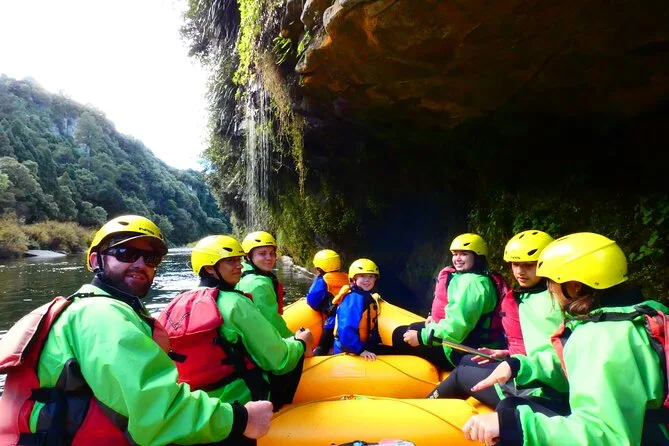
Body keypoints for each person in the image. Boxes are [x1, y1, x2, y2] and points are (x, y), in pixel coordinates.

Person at [0, 215, 273, 445]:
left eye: (150, 258)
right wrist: (241, 419)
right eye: (126, 253)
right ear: (95, 260)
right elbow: (157, 412)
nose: (140, 264)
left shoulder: (89, 307)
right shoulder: (102, 315)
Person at [462, 232, 669, 445]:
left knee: (510, 418)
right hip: (647, 425)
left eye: (551, 281)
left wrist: (518, 427)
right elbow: (576, 361)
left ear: (574, 285)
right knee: (510, 407)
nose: (550, 289)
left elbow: (606, 435)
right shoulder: (639, 313)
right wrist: (520, 365)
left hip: (643, 436)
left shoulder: (599, 337)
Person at [158, 235, 313, 414]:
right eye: (230, 261)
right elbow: (278, 360)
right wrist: (300, 343)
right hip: (244, 402)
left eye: (239, 260)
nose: (239, 265)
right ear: (209, 268)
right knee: (297, 347)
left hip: (199, 404)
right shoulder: (235, 303)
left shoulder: (174, 305)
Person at [427, 230, 565, 408]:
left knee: (461, 374)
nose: (520, 271)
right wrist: (506, 353)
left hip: (543, 389)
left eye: (529, 265)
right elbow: (538, 345)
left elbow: (560, 355)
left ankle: (424, 408)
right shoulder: (532, 296)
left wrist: (516, 364)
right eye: (515, 264)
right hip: (530, 370)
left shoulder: (556, 303)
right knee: (468, 361)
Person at [393, 233, 508, 370]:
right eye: (455, 254)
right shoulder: (480, 277)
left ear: (477, 257)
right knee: (413, 326)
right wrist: (433, 318)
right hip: (470, 342)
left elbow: (456, 328)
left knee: (399, 334)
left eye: (464, 254)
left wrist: (421, 337)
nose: (457, 258)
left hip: (463, 351)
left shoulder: (471, 283)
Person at [236, 231, 293, 338]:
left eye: (272, 253)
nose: (269, 258)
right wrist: (297, 342)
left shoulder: (241, 271)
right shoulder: (258, 285)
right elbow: (272, 323)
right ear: (248, 256)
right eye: (262, 253)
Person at [333, 258, 393, 360]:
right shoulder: (354, 299)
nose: (367, 280)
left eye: (371, 276)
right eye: (362, 276)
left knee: (392, 351)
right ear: (353, 279)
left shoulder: (366, 296)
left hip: (362, 344)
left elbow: (371, 325)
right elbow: (346, 328)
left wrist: (377, 341)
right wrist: (360, 350)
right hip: (349, 349)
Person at [306, 249, 349, 355]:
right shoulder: (346, 276)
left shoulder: (322, 281)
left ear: (319, 269)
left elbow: (312, 301)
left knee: (322, 346)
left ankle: (321, 351)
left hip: (333, 317)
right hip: (347, 312)